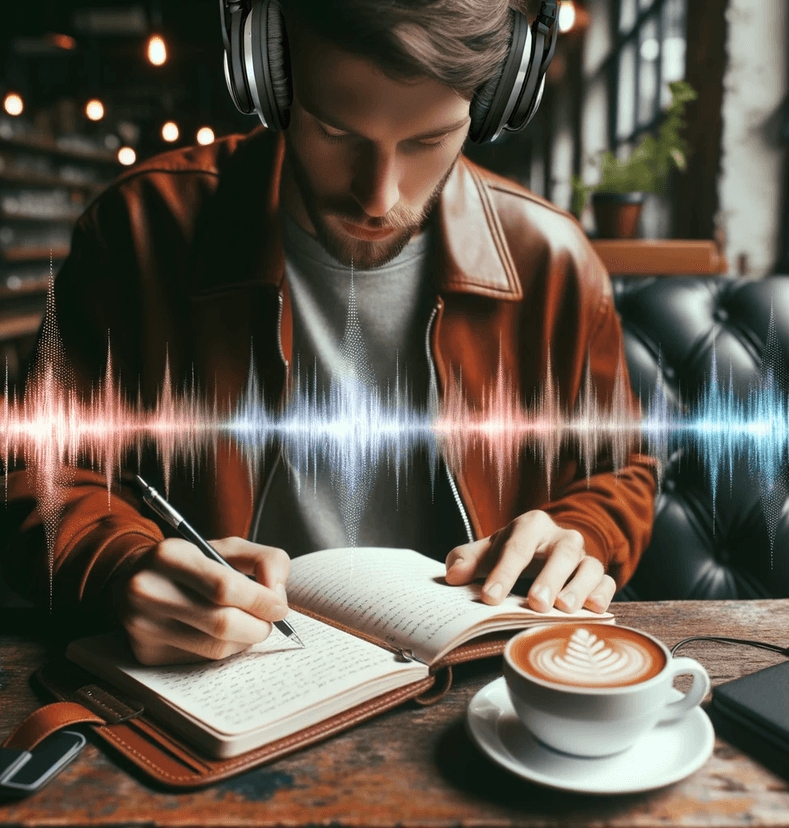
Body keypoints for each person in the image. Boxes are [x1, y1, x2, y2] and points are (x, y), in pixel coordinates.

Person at [1, 0, 657, 665]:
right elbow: (34, 468)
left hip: (476, 688)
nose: (379, 197)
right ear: (271, 79)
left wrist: (581, 534)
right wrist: (121, 566)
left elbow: (621, 473)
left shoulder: (554, 262)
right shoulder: (136, 231)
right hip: (219, 677)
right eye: (335, 130)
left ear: (492, 104)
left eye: (429, 141)